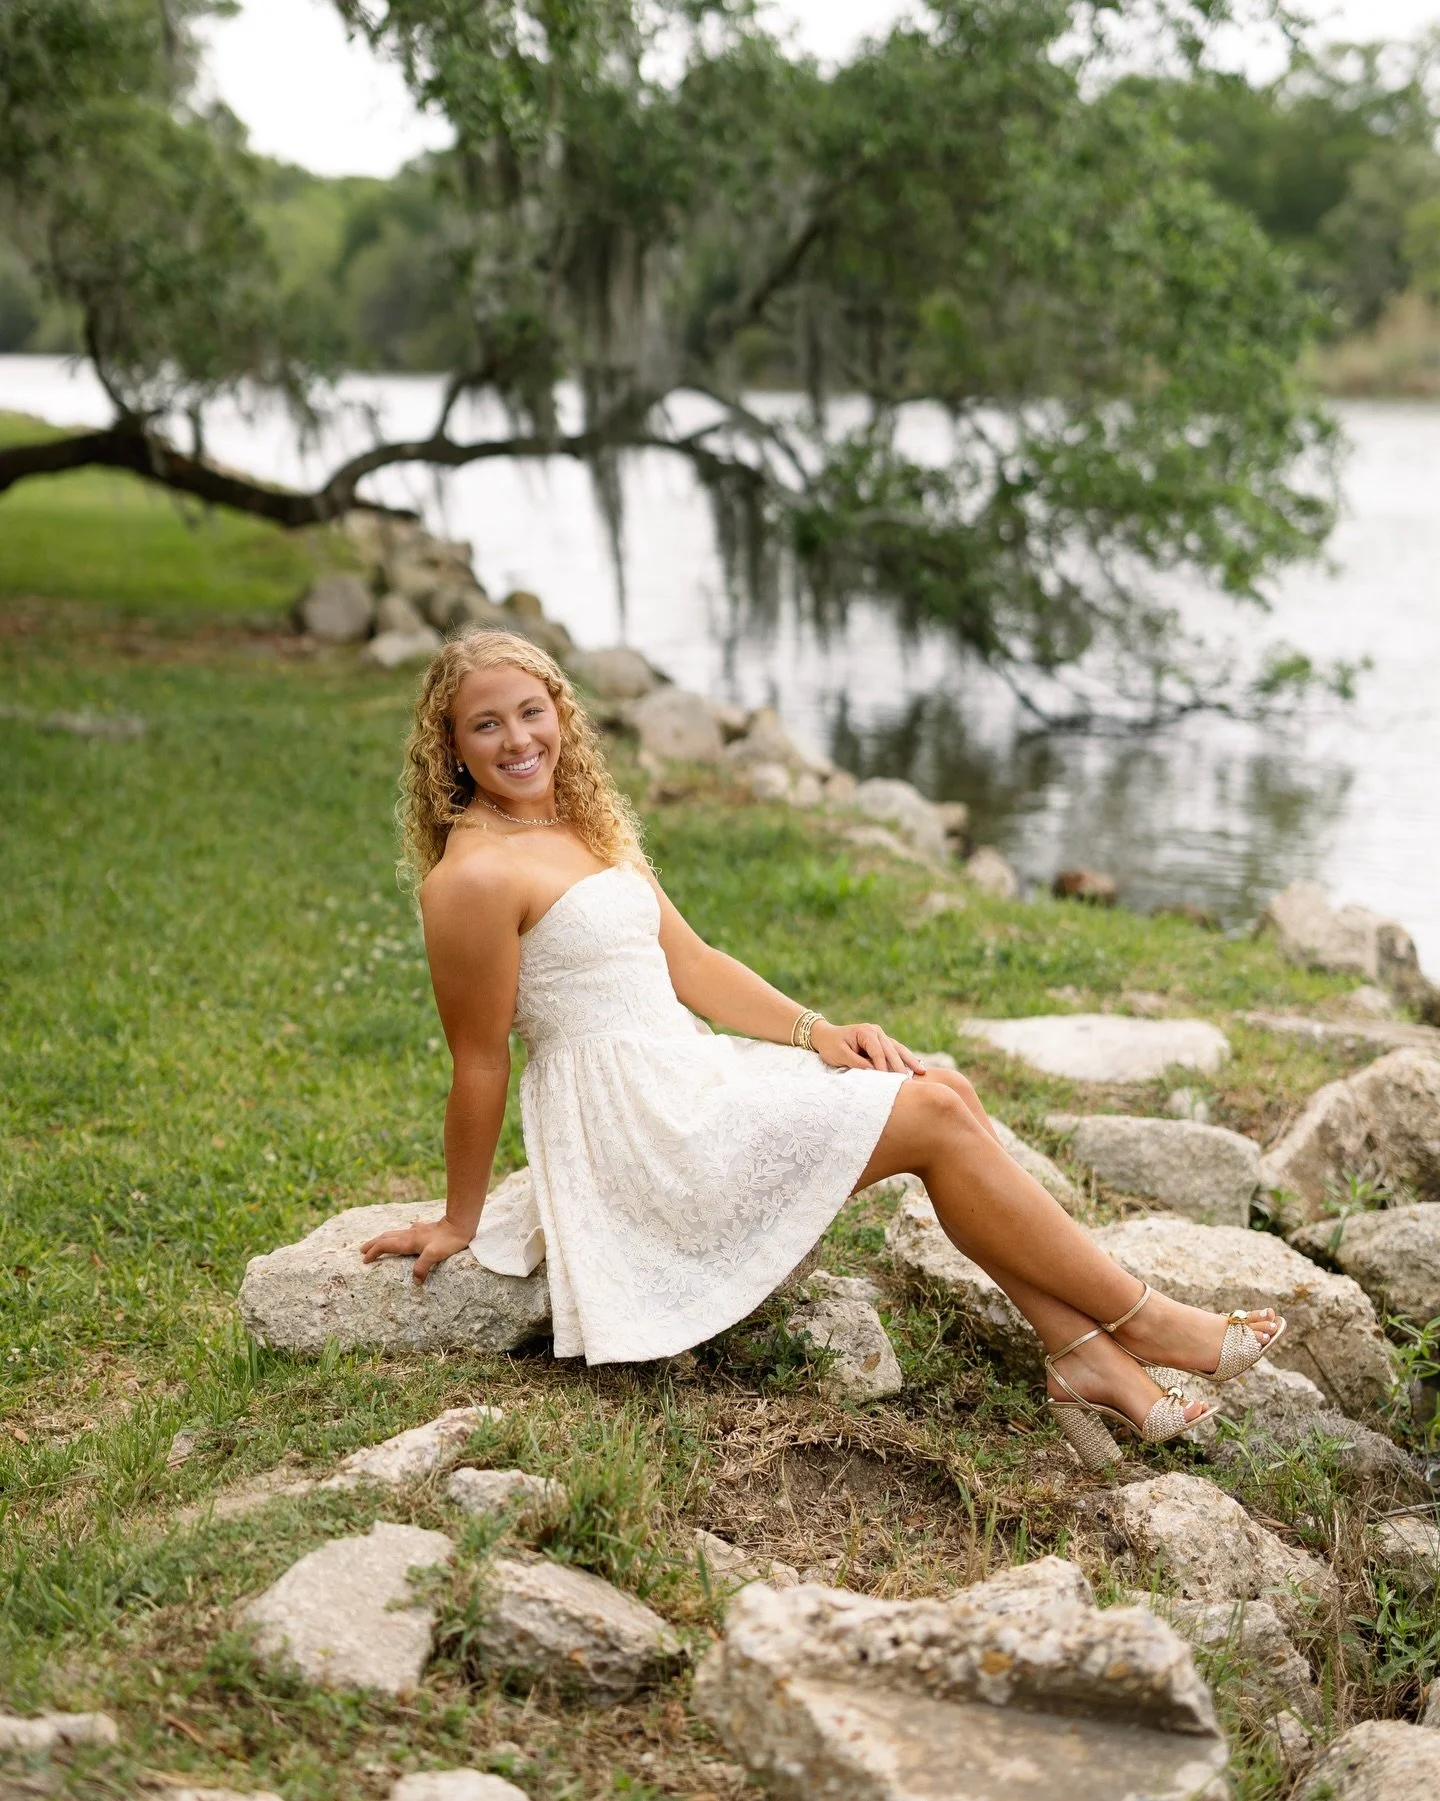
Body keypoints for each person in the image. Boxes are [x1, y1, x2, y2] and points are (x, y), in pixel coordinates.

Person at [361, 629, 1284, 1469]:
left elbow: (693, 964)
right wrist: (457, 1219)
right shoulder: (472, 878)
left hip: (689, 1079)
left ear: (561, 712)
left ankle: (1084, 1357)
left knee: (940, 1087)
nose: (518, 740)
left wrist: (818, 1032)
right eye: (486, 725)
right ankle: (1148, 1322)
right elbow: (479, 1060)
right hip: (643, 1141)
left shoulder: (574, 821)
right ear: (451, 746)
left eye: (532, 712)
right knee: (933, 1112)